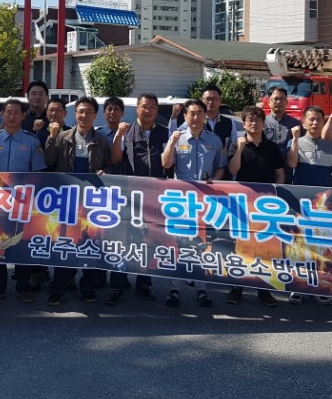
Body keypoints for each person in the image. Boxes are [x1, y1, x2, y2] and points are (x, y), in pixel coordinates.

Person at [0, 99, 46, 303]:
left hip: (22, 202)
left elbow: (38, 172)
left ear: (23, 116)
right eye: (8, 112)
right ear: (2, 115)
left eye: (16, 113)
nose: (12, 116)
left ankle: (23, 287)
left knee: (22, 243)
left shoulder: (32, 141)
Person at [43, 96, 113, 306]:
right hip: (67, 198)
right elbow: (49, 161)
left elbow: (110, 165)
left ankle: (87, 287)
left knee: (90, 242)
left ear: (95, 115)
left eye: (89, 111)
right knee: (64, 242)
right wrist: (51, 138)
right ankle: (59, 287)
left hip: (92, 199)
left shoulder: (102, 140)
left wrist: (106, 171)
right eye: (81, 111)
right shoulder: (62, 136)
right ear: (75, 114)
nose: (84, 115)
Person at [161, 99, 226, 309]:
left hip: (205, 201)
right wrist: (172, 142)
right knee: (180, 245)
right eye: (191, 113)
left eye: (199, 113)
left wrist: (214, 181)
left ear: (205, 116)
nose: (195, 117)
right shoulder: (177, 137)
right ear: (185, 116)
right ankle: (175, 288)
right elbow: (166, 163)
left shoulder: (214, 140)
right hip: (182, 201)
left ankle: (202, 289)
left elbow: (221, 167)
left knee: (203, 245)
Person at [105, 93, 169, 304]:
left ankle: (144, 283)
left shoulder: (165, 132)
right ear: (137, 109)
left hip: (155, 196)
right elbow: (116, 158)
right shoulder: (127, 131)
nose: (147, 110)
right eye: (144, 106)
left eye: (152, 107)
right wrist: (118, 136)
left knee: (148, 240)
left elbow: (170, 163)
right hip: (129, 195)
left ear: (157, 110)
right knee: (123, 240)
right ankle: (117, 284)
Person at [224, 105, 284, 307]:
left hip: (266, 204)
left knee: (265, 246)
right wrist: (241, 148)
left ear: (263, 123)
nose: (254, 123)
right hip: (242, 202)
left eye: (258, 120)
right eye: (250, 120)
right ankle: (236, 288)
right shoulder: (237, 145)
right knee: (240, 246)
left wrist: (277, 198)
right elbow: (233, 170)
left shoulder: (272, 147)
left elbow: (279, 173)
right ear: (244, 123)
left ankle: (264, 289)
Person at [286, 106, 332, 305]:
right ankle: (298, 285)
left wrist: (322, 188)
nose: (315, 123)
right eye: (311, 119)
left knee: (321, 245)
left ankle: (320, 285)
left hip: (323, 205)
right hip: (300, 203)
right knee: (299, 244)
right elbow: (292, 164)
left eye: (319, 119)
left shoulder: (331, 147)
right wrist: (294, 140)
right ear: (303, 122)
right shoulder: (295, 142)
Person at [264, 86, 302, 180]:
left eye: (282, 99)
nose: (279, 102)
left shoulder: (295, 124)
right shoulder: (262, 122)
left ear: (287, 102)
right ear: (269, 102)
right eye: (275, 99)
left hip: (288, 172)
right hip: (266, 170)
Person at [96, 96, 126, 174]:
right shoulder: (97, 134)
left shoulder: (128, 133)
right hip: (104, 177)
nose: (112, 112)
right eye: (109, 109)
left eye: (116, 109)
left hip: (125, 177)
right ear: (104, 113)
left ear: (122, 113)